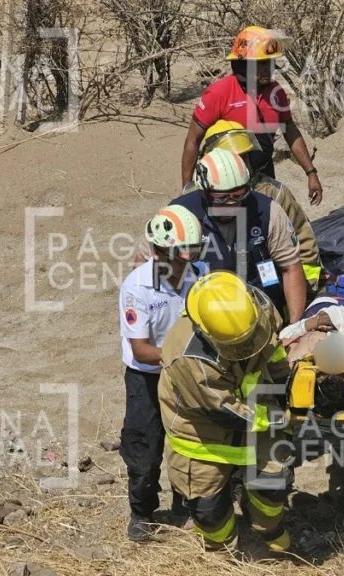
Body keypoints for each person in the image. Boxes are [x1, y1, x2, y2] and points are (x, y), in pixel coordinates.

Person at [158, 271, 294, 553]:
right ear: (206, 332)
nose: (244, 350)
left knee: (273, 484)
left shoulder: (259, 308)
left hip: (259, 408)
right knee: (209, 510)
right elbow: (223, 410)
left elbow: (274, 349)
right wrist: (280, 418)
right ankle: (222, 551)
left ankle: (270, 529)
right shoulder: (188, 357)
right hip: (202, 436)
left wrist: (286, 384)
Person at [119, 205, 204, 540]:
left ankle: (187, 501)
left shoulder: (200, 277)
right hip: (148, 376)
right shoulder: (137, 288)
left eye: (189, 256)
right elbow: (141, 349)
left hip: (188, 371)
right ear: (157, 251)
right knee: (145, 449)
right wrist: (180, 357)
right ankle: (142, 512)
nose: (185, 264)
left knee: (191, 442)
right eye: (177, 256)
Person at [181, 26, 323, 205]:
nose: (268, 69)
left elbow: (291, 132)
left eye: (270, 63)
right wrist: (187, 190)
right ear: (243, 63)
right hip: (224, 185)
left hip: (263, 176)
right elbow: (193, 140)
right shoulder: (219, 93)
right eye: (261, 64)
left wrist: (311, 173)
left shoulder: (275, 93)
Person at [171, 148, 307, 325]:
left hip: (261, 311)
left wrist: (295, 325)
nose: (231, 203)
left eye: (238, 195)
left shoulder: (267, 211)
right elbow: (155, 271)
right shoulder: (179, 215)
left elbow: (290, 268)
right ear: (204, 192)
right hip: (203, 314)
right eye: (221, 197)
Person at [195, 120, 324, 291]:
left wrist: (305, 287)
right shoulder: (195, 198)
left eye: (245, 157)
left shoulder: (272, 193)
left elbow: (303, 239)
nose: (242, 165)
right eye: (234, 160)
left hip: (266, 281)